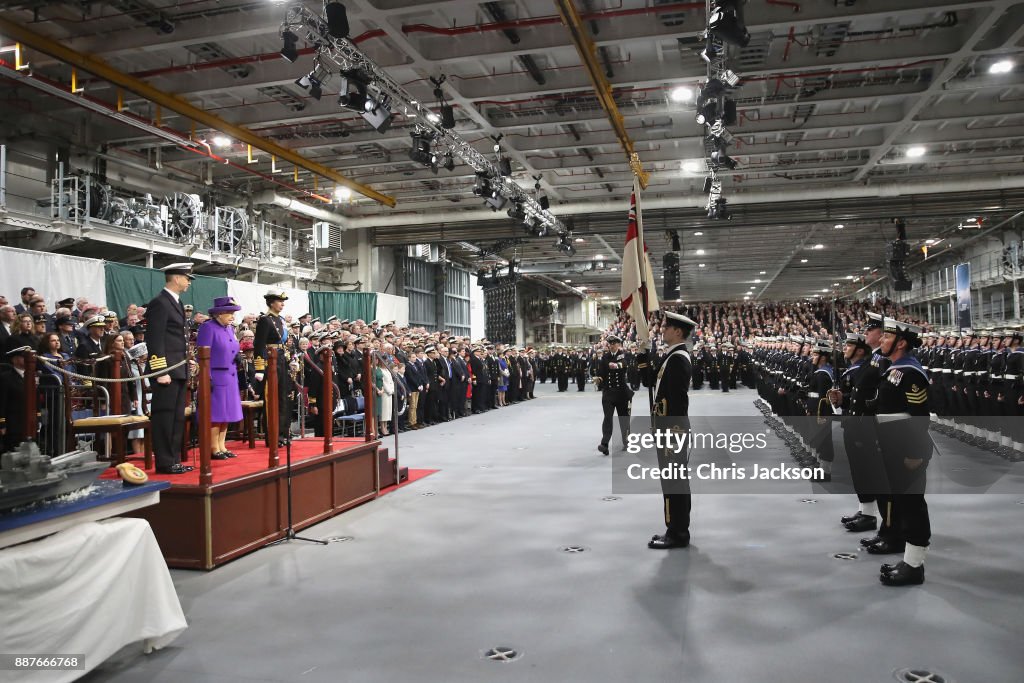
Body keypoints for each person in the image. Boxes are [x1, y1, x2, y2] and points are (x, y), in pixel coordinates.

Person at [874, 318, 933, 586]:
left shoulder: (910, 372)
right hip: (893, 444)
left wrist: (913, 453)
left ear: (901, 342)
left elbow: (919, 416)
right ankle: (908, 558)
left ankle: (914, 565)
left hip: (907, 447)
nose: (881, 341)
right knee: (900, 500)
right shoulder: (894, 369)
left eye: (887, 338)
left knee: (912, 504)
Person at [638, 311, 697, 550]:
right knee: (673, 481)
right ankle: (675, 529)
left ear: (678, 332)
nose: (662, 330)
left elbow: (678, 400)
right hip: (669, 430)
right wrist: (643, 354)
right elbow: (650, 381)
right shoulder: (672, 356)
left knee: (674, 482)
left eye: (667, 328)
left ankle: (678, 532)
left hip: (673, 431)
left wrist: (672, 432)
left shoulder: (679, 359)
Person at [146, 262, 195, 475]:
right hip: (167, 371)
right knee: (164, 417)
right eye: (187, 278)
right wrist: (160, 371)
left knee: (176, 417)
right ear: (176, 278)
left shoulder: (175, 302)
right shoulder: (160, 303)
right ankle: (165, 462)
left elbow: (177, 339)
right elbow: (155, 340)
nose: (189, 282)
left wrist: (186, 361)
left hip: (178, 368)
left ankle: (173, 459)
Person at [197, 297, 243, 460]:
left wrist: (237, 357)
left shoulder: (229, 329)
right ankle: (213, 447)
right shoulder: (207, 328)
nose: (232, 317)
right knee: (215, 415)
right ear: (219, 314)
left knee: (227, 414)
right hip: (215, 376)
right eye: (229, 313)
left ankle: (222, 445)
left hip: (230, 376)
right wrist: (206, 377)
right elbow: (202, 355)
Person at [595, 335, 633, 455]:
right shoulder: (605, 357)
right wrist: (599, 379)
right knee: (607, 418)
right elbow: (602, 373)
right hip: (609, 393)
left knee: (624, 419)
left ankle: (627, 442)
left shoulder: (623, 354)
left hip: (622, 393)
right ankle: (604, 444)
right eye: (610, 344)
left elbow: (624, 364)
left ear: (618, 344)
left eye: (614, 343)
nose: (611, 346)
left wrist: (616, 365)